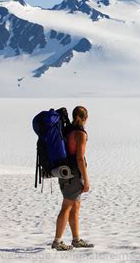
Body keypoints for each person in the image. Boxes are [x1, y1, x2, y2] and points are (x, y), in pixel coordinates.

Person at [51, 106, 94, 250]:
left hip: (65, 172)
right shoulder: (80, 134)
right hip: (74, 174)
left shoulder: (68, 130)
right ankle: (57, 241)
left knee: (74, 207)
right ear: (85, 118)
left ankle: (76, 239)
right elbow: (80, 158)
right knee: (67, 207)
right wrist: (86, 179)